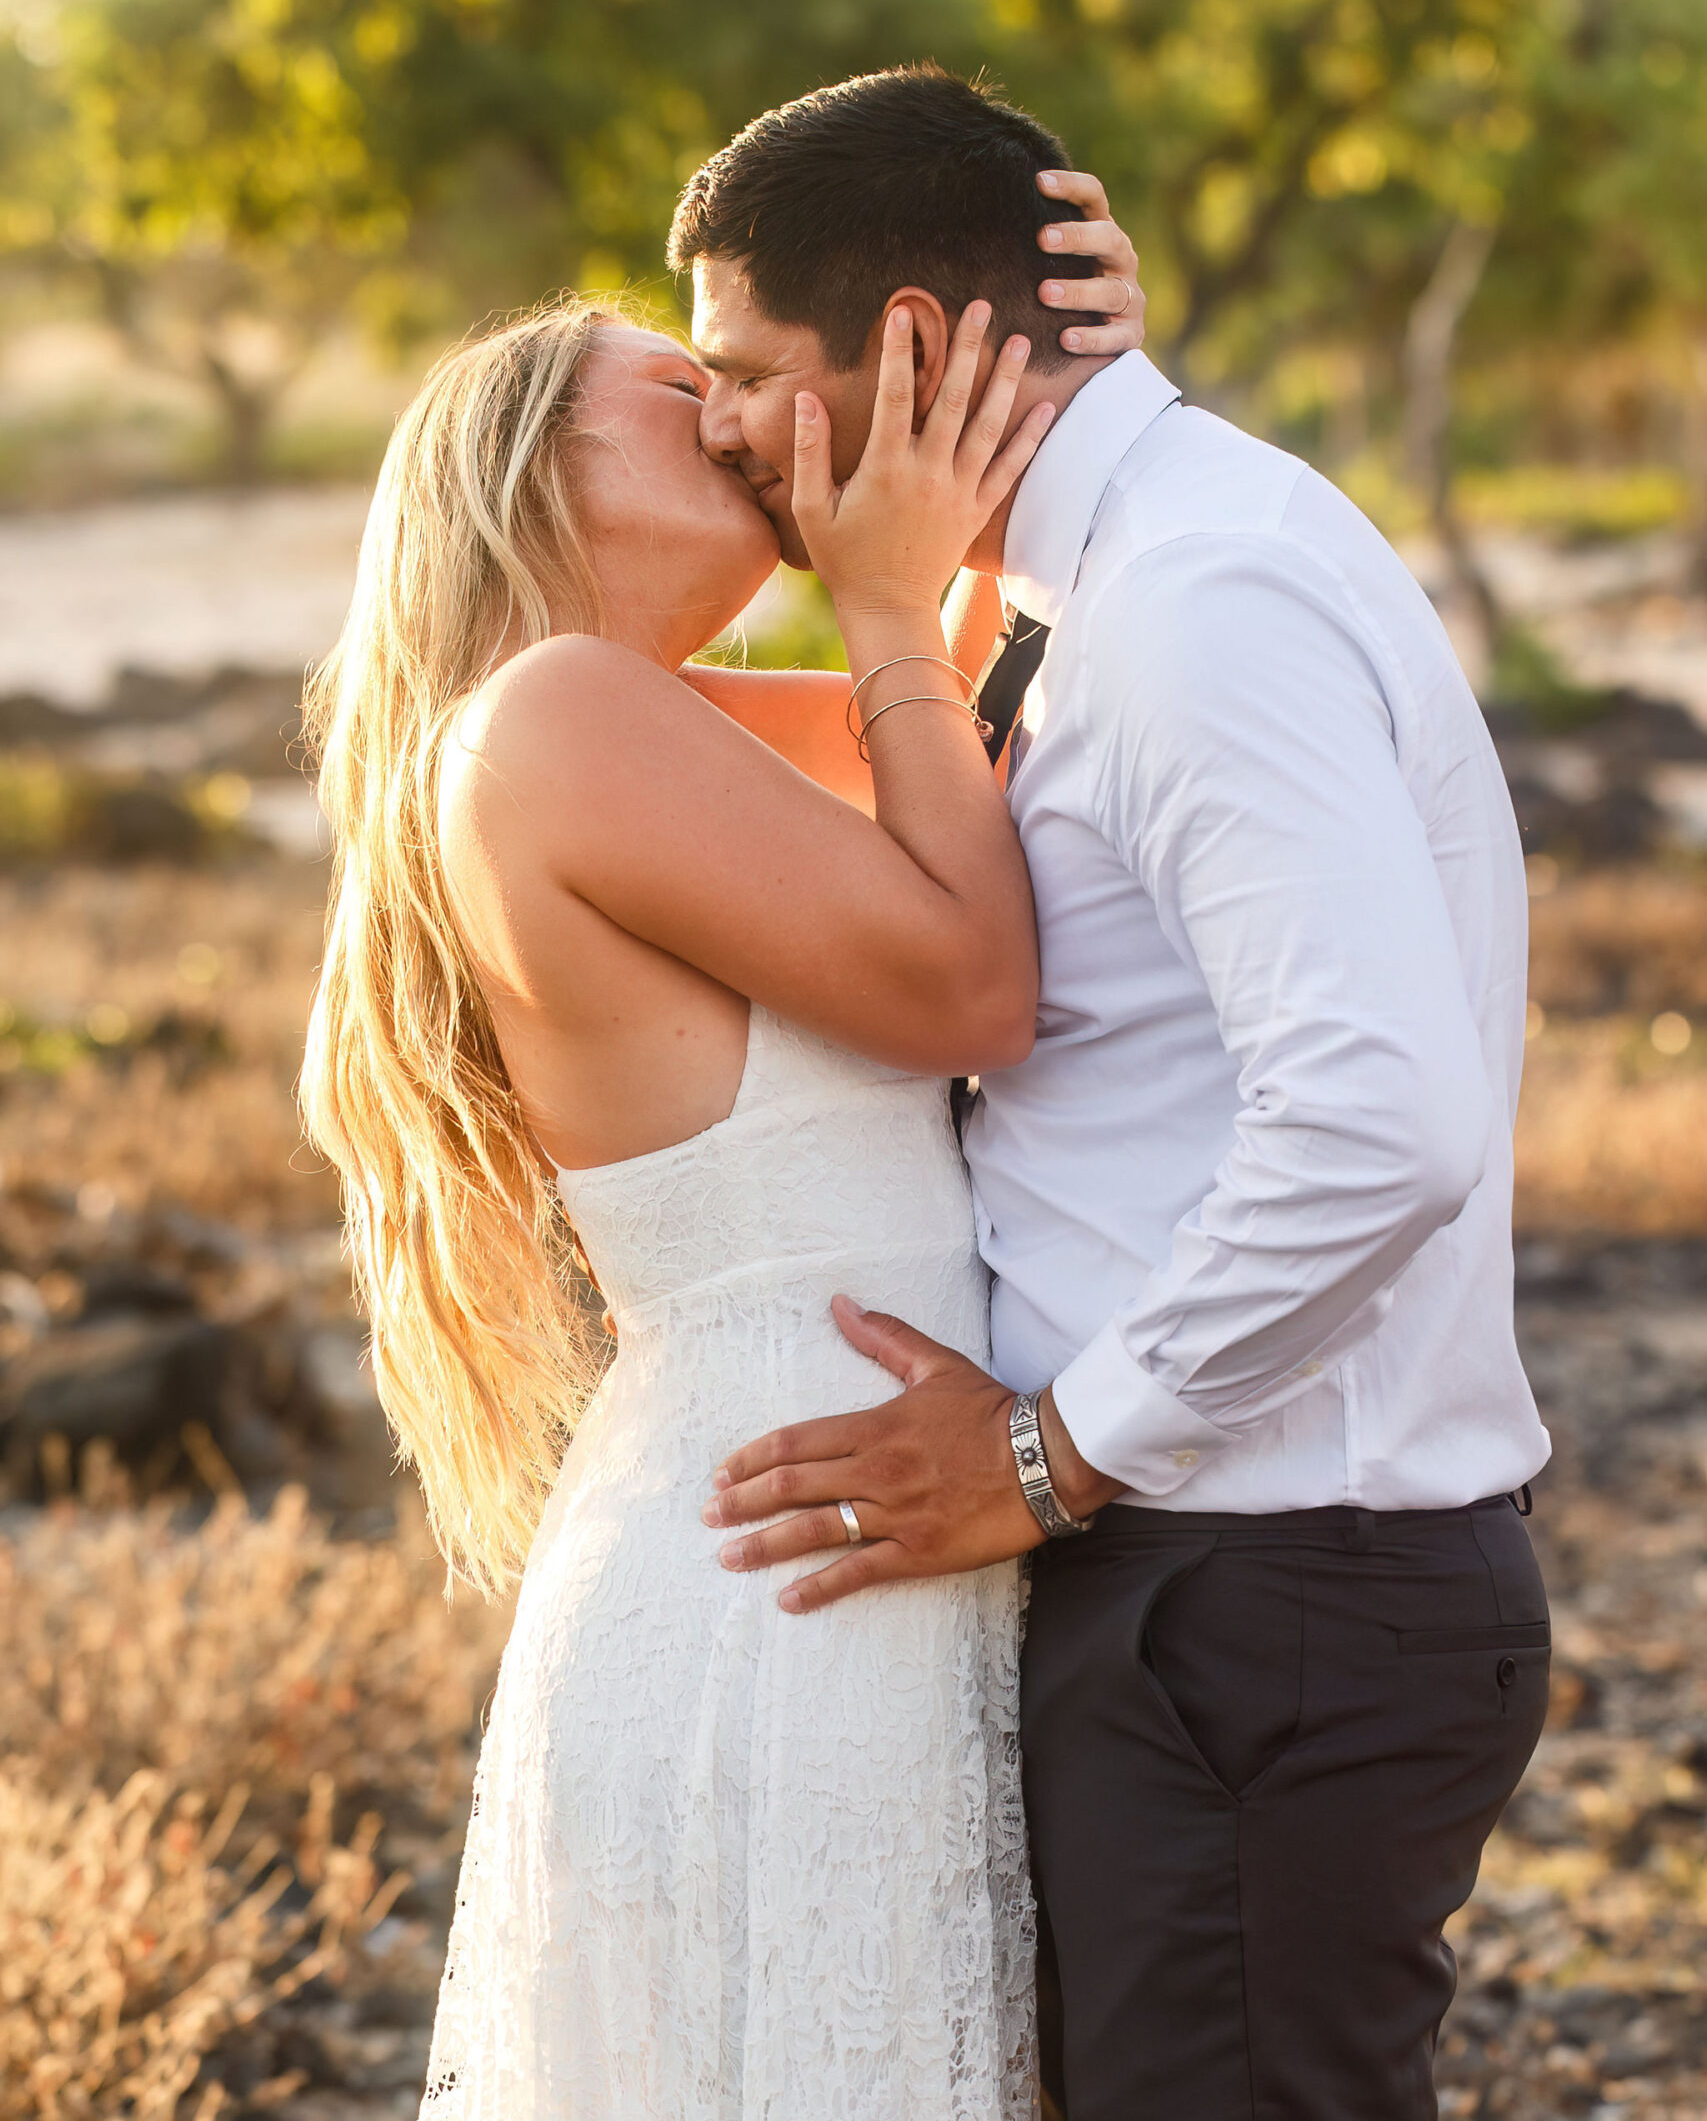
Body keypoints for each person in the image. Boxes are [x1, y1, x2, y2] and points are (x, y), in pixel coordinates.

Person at [682, 66, 1554, 2121]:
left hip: (1268, 1592)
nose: (716, 423)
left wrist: (1055, 1451)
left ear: (907, 349)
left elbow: (1376, 1119)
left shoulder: (1193, 600)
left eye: (735, 368)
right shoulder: (1100, 574)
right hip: (1229, 1589)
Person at [298, 188, 1146, 2115]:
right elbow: (972, 983)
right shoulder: (557, 716)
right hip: (787, 1542)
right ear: (534, 480)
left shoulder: (645, 725)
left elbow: (1008, 744)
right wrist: (876, 604)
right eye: (690, 394)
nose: (754, 425)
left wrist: (1066, 360)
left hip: (826, 1505)